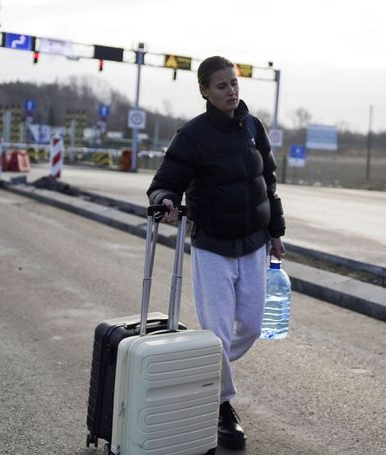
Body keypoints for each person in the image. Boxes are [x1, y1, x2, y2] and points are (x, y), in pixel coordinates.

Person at [147, 55, 286, 451]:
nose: (231, 91)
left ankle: (203, 368)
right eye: (222, 85)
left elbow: (268, 182)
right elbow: (164, 181)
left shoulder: (253, 127)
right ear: (204, 91)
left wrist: (276, 230)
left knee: (253, 327)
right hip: (213, 247)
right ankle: (223, 406)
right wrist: (166, 199)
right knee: (220, 336)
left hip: (254, 244)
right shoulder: (192, 135)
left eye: (234, 83)